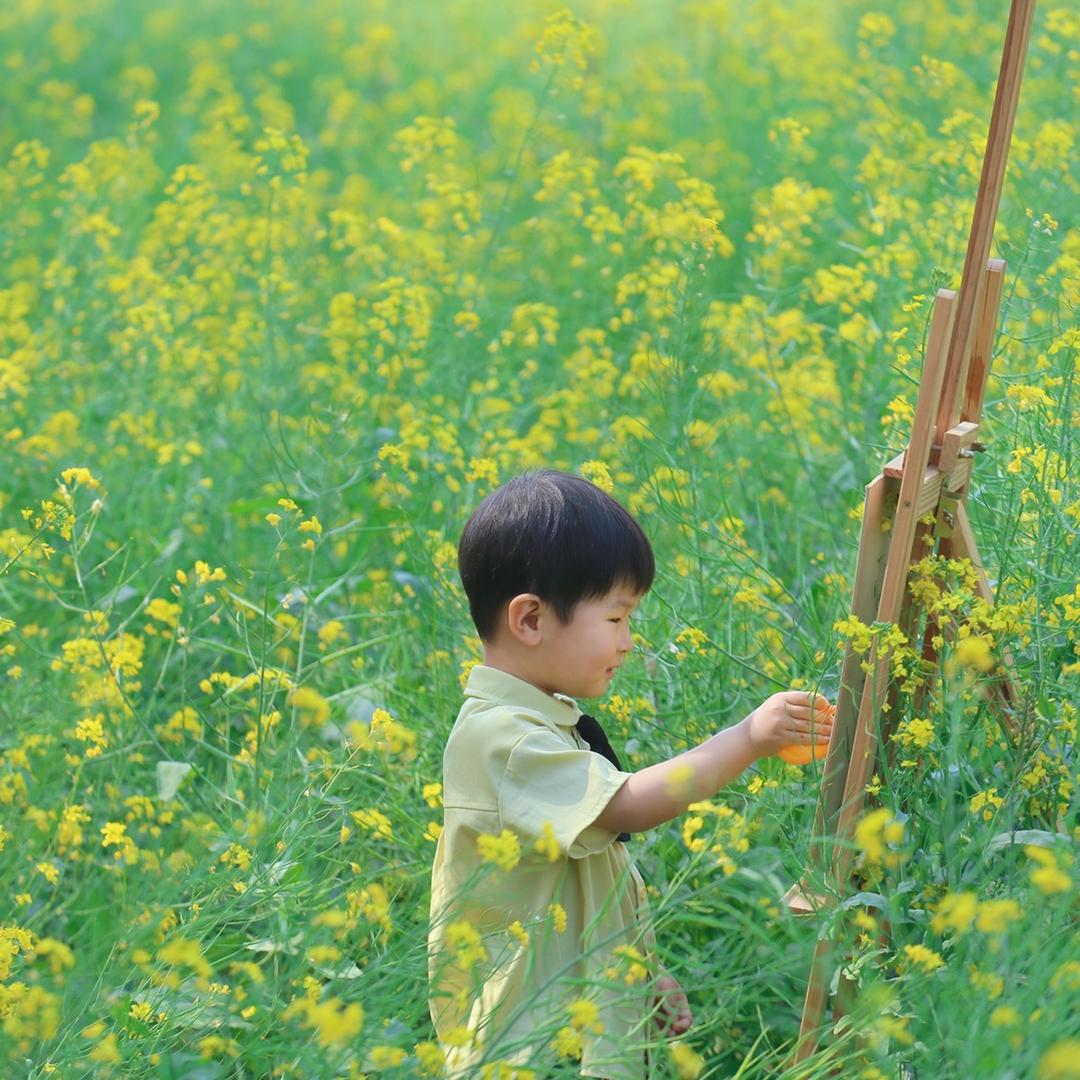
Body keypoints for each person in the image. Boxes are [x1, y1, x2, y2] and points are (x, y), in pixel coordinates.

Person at [427, 469, 832, 1078]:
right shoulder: (502, 739)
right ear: (531, 620)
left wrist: (641, 971)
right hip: (529, 1051)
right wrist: (748, 738)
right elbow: (628, 807)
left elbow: (593, 877)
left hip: (576, 1035)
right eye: (616, 619)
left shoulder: (543, 723)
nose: (629, 642)